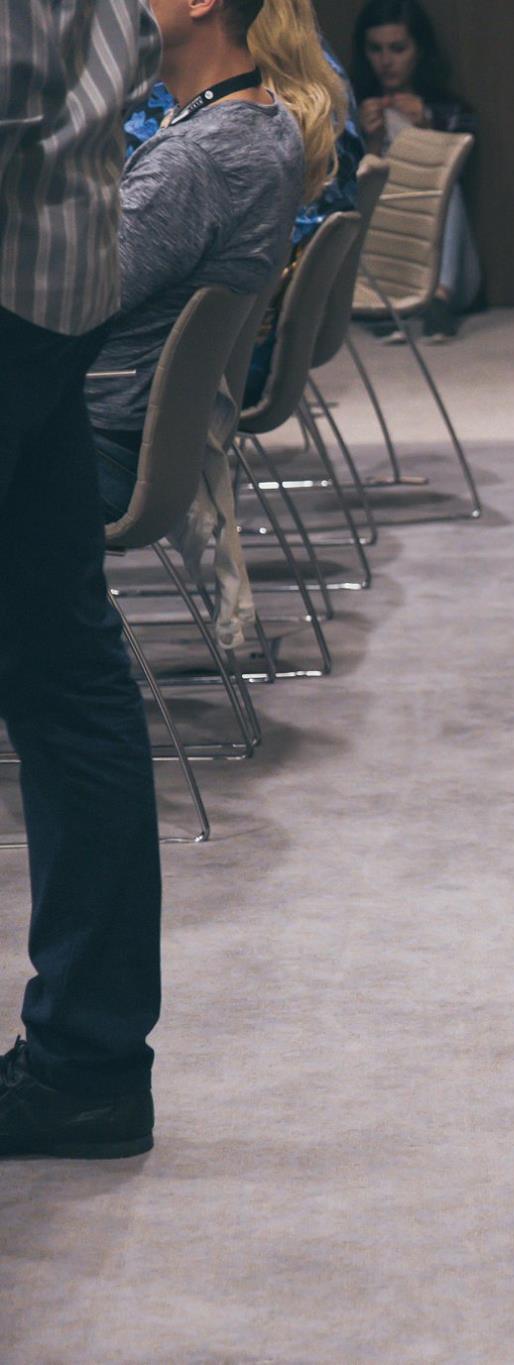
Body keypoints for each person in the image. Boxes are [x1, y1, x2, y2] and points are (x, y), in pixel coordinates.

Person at [0, 0, 163, 1158]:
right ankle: (88, 1067)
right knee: (66, 673)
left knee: (67, 673)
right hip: (52, 282)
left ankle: (89, 1063)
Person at [88, 0, 308, 522]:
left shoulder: (194, 159)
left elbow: (76, 301)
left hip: (98, 441)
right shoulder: (270, 119)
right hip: (151, 435)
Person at [350, 0, 477, 340]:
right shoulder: (353, 113)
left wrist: (428, 128)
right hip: (386, 263)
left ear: (418, 50)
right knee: (362, 192)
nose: (386, 61)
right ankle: (386, 303)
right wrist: (371, 143)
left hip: (446, 270)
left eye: (397, 49)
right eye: (375, 49)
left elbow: (468, 169)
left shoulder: (449, 112)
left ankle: (438, 302)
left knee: (446, 184)